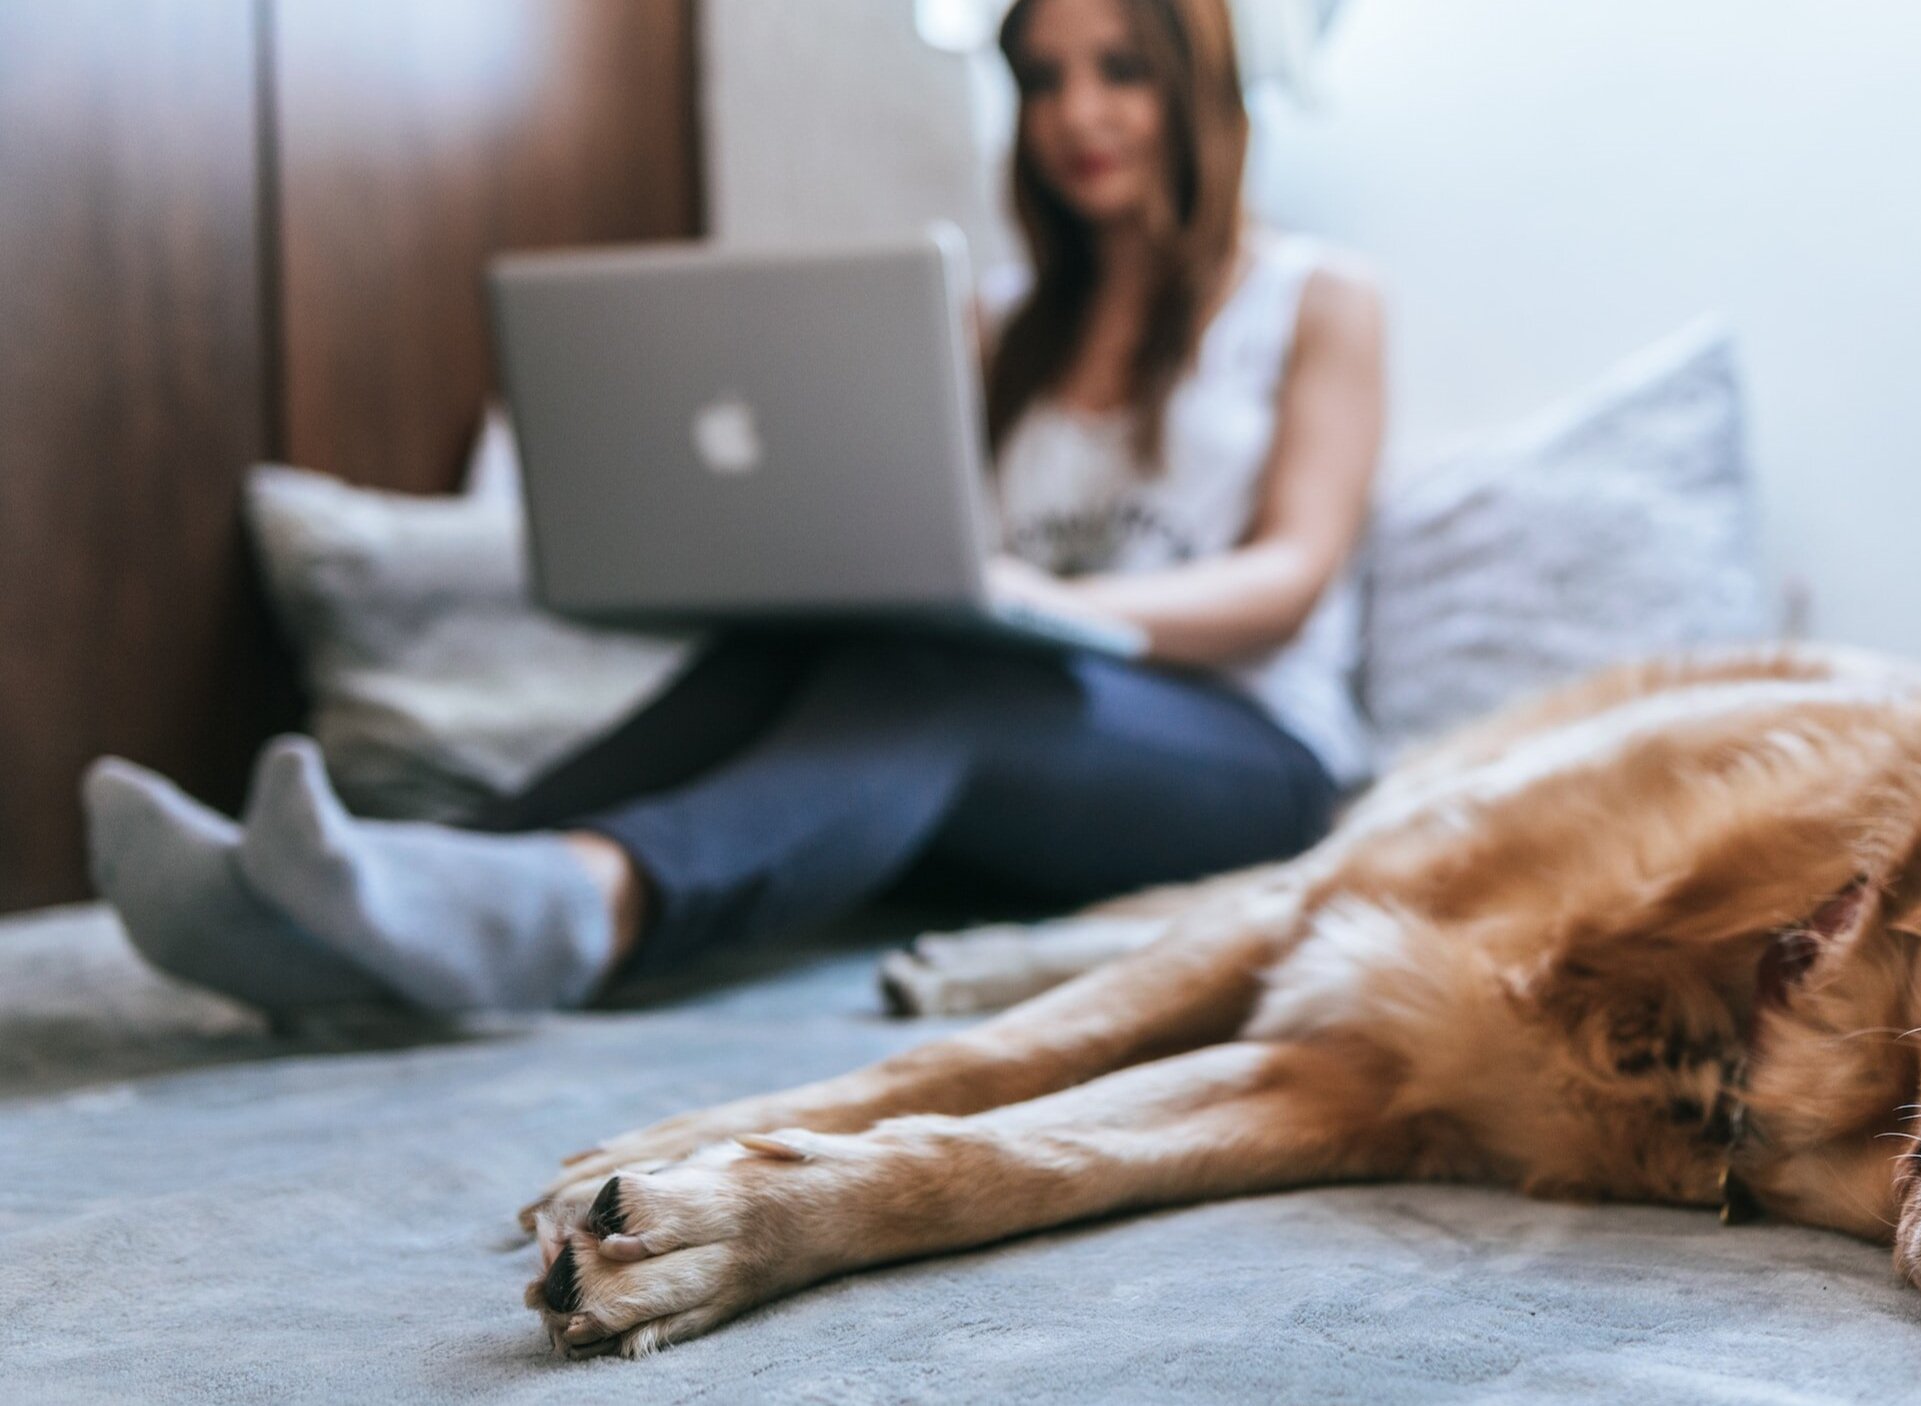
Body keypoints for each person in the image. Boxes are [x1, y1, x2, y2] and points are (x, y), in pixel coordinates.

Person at [81, 0, 1384, 1015]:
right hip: (1019, 735)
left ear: (1196, 85)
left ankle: (585, 906)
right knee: (832, 645)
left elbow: (1292, 573)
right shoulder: (996, 325)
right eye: (1043, 78)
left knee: (943, 678)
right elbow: (929, 538)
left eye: (1120, 69)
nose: (1077, 113)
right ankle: (376, 890)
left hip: (1246, 761)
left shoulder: (1316, 298)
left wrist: (1057, 606)